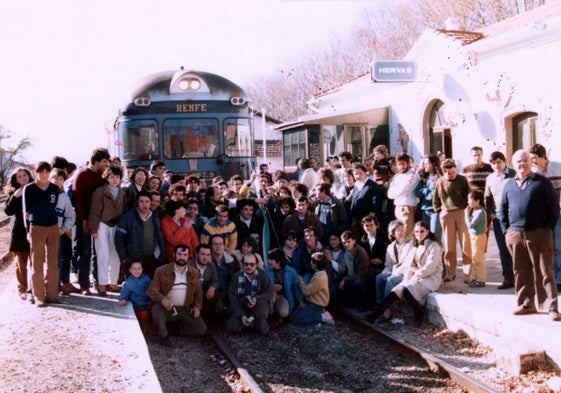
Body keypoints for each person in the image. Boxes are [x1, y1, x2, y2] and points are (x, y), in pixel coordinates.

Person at [500, 149, 560, 321]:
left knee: (545, 270)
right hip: (516, 235)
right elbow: (502, 209)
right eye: (518, 161)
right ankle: (527, 303)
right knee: (521, 270)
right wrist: (506, 230)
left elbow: (554, 208)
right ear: (513, 164)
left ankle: (551, 306)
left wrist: (547, 228)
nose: (522, 164)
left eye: (525, 160)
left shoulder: (542, 182)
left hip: (539, 233)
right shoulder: (509, 184)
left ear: (530, 162)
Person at [368, 221, 443, 327]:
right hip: (417, 276)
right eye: (416, 232)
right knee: (398, 289)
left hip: (430, 277)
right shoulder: (416, 246)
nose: (419, 234)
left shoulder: (434, 245)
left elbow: (430, 266)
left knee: (405, 289)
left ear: (427, 232)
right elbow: (411, 265)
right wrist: (407, 277)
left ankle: (417, 313)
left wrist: (415, 276)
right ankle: (376, 314)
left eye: (422, 231)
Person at [147, 245, 207, 347]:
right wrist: (162, 300)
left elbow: (198, 294)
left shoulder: (194, 273)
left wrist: (197, 307)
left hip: (184, 308)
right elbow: (152, 290)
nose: (182, 257)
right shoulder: (161, 270)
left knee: (201, 330)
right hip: (166, 308)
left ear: (189, 256)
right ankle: (164, 337)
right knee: (156, 308)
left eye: (185, 255)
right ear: (174, 255)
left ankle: (173, 329)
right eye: (179, 254)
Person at [72, 147, 111, 295]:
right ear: (96, 161)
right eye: (104, 161)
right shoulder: (82, 175)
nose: (106, 164)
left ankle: (98, 282)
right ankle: (84, 284)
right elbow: (77, 199)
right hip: (84, 219)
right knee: (85, 252)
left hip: (98, 221)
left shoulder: (102, 176)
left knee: (98, 253)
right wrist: (83, 220)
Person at [22, 162, 61, 307]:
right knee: (37, 262)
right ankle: (39, 295)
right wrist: (28, 231)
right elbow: (26, 212)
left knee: (53, 262)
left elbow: (54, 206)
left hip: (52, 226)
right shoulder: (29, 189)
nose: (44, 175)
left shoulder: (54, 188)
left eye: (47, 172)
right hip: (36, 227)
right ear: (36, 172)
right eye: (41, 172)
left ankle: (52, 294)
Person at [88, 166, 127, 295]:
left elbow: (124, 211)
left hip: (116, 225)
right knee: (103, 254)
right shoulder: (100, 192)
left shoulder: (122, 193)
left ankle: (113, 282)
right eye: (111, 177)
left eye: (117, 177)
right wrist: (94, 229)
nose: (114, 180)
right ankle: (102, 284)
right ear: (107, 178)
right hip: (102, 224)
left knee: (115, 255)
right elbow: (94, 211)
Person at [433, 158, 472, 282]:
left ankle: (468, 273)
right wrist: (439, 210)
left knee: (465, 243)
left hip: (461, 212)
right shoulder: (440, 181)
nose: (452, 175)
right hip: (446, 214)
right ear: (443, 172)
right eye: (448, 173)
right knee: (449, 245)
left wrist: (469, 210)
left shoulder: (462, 179)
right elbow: (436, 199)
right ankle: (451, 272)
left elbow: (469, 195)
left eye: (454, 172)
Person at [529, 143, 561, 292]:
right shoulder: (534, 173)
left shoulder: (557, 167)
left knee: (558, 246)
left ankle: (559, 279)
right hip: (543, 216)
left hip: (559, 213)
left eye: (534, 158)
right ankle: (549, 276)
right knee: (546, 246)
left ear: (542, 156)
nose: (532, 161)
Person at [115, 190, 165, 279]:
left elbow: (158, 237)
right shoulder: (128, 217)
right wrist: (124, 258)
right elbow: (119, 238)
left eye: (147, 201)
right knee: (135, 289)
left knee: (150, 288)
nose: (144, 204)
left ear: (150, 203)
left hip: (152, 258)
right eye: (141, 201)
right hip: (134, 259)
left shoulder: (154, 217)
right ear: (137, 202)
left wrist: (160, 255)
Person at [372, 220, 414, 326]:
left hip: (405, 273)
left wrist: (394, 273)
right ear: (393, 233)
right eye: (398, 231)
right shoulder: (391, 247)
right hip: (394, 271)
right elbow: (388, 265)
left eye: (402, 229)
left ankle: (389, 311)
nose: (401, 232)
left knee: (390, 281)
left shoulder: (410, 244)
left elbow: (408, 264)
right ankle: (380, 305)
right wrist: (387, 272)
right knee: (380, 277)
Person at [484, 151, 516, 289]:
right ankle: (508, 278)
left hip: (515, 217)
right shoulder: (490, 178)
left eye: (499, 162)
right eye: (493, 163)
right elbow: (487, 198)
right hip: (499, 218)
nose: (496, 165)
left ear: (504, 161)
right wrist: (491, 214)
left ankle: (524, 278)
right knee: (503, 249)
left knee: (518, 248)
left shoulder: (514, 175)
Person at [4, 167, 34, 299]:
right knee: (20, 264)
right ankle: (22, 288)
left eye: (25, 175)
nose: (23, 178)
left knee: (34, 262)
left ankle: (33, 287)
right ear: (16, 180)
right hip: (19, 232)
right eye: (20, 176)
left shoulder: (35, 189)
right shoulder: (14, 193)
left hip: (34, 229)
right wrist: (15, 197)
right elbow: (8, 211)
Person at [226, 253, 273, 336]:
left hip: (258, 306)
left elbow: (269, 293)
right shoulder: (236, 277)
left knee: (262, 305)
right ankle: (249, 323)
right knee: (231, 327)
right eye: (246, 264)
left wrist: (257, 298)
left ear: (257, 264)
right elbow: (233, 299)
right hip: (242, 306)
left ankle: (260, 322)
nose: (249, 266)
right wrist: (241, 315)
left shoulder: (263, 275)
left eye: (252, 264)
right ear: (242, 264)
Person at [50, 169, 77, 296]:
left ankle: (64, 283)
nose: (57, 181)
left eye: (60, 179)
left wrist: (65, 228)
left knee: (65, 257)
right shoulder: (44, 194)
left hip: (61, 232)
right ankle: (53, 286)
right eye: (54, 178)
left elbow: (70, 216)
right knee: (54, 261)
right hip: (48, 232)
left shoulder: (64, 197)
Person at [290, 252, 333, 326]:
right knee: (293, 316)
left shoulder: (319, 278)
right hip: (311, 302)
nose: (310, 263)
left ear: (315, 264)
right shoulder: (319, 272)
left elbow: (306, 291)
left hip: (316, 304)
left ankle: (322, 317)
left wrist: (301, 281)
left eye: (311, 261)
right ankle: (317, 315)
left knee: (297, 320)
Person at [265, 248, 304, 321]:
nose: (268, 261)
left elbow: (296, 288)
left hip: (284, 297)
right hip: (270, 296)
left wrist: (300, 301)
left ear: (278, 261)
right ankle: (270, 317)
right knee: (272, 293)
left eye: (271, 260)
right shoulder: (266, 269)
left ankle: (278, 316)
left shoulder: (291, 271)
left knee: (283, 312)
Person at [387, 153, 420, 237]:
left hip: (407, 207)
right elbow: (389, 194)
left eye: (403, 163)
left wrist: (398, 191)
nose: (401, 166)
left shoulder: (413, 174)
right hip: (398, 207)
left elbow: (405, 189)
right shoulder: (396, 176)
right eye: (399, 164)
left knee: (408, 233)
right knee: (399, 234)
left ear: (408, 163)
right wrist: (399, 192)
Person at [188, 244, 220, 320]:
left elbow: (216, 281)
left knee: (216, 297)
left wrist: (212, 288)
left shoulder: (211, 265)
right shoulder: (189, 266)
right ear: (196, 254)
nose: (205, 258)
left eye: (208, 255)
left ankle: (203, 318)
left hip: (205, 294)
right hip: (192, 296)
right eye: (202, 254)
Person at [339, 230, 370, 310]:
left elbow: (362, 274)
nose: (346, 244)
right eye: (344, 242)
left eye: (348, 242)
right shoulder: (344, 252)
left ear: (354, 241)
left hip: (361, 277)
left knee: (358, 282)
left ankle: (363, 305)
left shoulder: (360, 253)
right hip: (349, 276)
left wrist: (346, 279)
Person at [118, 261, 152, 331]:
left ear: (142, 269)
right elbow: (124, 292)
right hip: (138, 305)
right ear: (130, 270)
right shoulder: (128, 282)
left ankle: (151, 328)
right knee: (144, 315)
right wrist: (123, 299)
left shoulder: (147, 278)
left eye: (139, 268)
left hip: (149, 303)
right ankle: (145, 329)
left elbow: (153, 288)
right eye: (134, 269)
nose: (137, 271)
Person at [415, 155, 443, 241]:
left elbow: (436, 194)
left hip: (436, 210)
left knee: (435, 235)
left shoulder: (439, 177)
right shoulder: (424, 178)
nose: (425, 166)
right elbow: (417, 192)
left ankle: (438, 254)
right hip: (425, 210)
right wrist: (427, 191)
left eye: (427, 163)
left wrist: (428, 192)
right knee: (424, 236)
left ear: (433, 164)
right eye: (424, 163)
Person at [349, 163, 382, 235]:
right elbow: (353, 202)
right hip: (357, 218)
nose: (358, 176)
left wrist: (372, 213)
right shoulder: (356, 186)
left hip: (369, 218)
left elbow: (376, 200)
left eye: (360, 173)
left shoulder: (372, 185)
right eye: (356, 174)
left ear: (365, 173)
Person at [465, 190, 487, 287]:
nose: (468, 202)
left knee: (478, 259)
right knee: (474, 258)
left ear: (478, 201)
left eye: (470, 200)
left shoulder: (480, 212)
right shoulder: (475, 210)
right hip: (474, 237)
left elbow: (470, 224)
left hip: (479, 237)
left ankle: (481, 280)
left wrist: (466, 214)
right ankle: (476, 278)